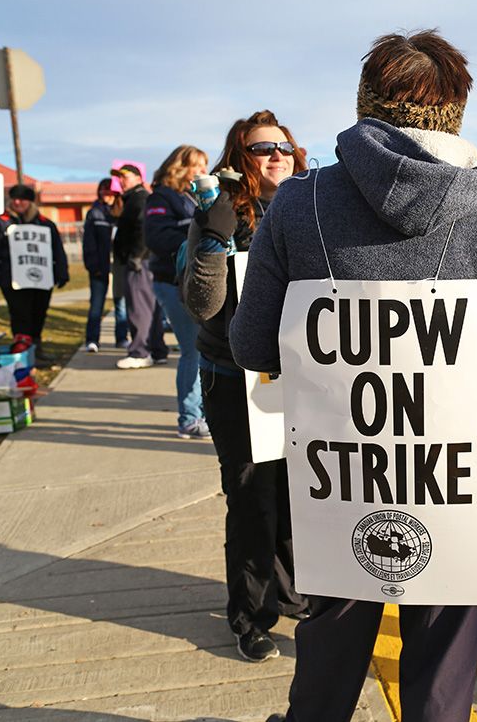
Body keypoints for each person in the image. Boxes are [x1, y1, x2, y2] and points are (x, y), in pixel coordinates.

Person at [229, 31, 477, 722]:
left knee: (330, 638)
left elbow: (252, 344)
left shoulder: (300, 203)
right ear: (458, 114)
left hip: (335, 466)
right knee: (443, 655)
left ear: (365, 107)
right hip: (455, 467)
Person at [182, 110, 310, 662]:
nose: (276, 155)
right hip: (236, 381)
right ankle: (251, 615)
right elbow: (202, 304)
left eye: (284, 146)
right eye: (262, 149)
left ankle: (293, 593)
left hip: (304, 376)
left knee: (301, 492)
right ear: (240, 159)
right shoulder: (223, 211)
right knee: (252, 495)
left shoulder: (313, 207)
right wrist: (214, 237)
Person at [144, 145, 211, 439]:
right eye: (197, 166)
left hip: (193, 280)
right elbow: (156, 236)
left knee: (203, 350)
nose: (202, 172)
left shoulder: (191, 197)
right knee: (192, 351)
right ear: (179, 166)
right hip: (172, 281)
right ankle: (188, 417)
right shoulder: (161, 196)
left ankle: (203, 411)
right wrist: (197, 232)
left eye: (204, 166)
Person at [0, 184, 69, 359]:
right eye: (15, 199)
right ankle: (21, 349)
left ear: (31, 202)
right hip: (12, 278)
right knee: (20, 314)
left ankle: (36, 348)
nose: (18, 202)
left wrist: (61, 271)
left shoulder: (45, 223)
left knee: (39, 312)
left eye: (22, 199)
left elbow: (57, 250)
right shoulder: (0, 222)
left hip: (41, 278)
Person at [111, 164, 168, 369]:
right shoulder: (134, 198)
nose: (121, 180)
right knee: (150, 308)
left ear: (138, 178)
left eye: (125, 176)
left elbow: (144, 229)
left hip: (140, 261)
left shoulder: (139, 198)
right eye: (119, 177)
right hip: (143, 259)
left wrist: (136, 255)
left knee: (139, 308)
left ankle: (140, 352)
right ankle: (157, 350)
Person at [82, 179, 121, 352]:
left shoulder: (122, 212)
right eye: (102, 191)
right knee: (96, 305)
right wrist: (93, 266)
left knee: (121, 305)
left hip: (120, 266)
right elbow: (88, 243)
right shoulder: (94, 213)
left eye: (109, 191)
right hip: (99, 267)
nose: (106, 195)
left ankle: (121, 338)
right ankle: (92, 339)